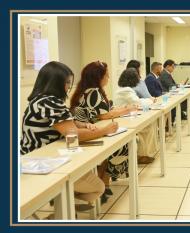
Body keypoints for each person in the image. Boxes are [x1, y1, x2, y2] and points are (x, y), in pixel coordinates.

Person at [20, 61, 118, 207]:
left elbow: (64, 122)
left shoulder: (40, 99)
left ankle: (63, 206)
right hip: (43, 163)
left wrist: (83, 124)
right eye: (67, 83)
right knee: (98, 188)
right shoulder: (50, 102)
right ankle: (61, 212)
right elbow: (74, 134)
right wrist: (105, 130)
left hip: (34, 156)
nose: (68, 87)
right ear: (56, 83)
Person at [70, 61, 134, 203]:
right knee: (122, 146)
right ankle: (102, 182)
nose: (108, 78)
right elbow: (105, 116)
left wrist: (122, 109)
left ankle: (104, 183)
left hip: (91, 130)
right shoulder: (92, 92)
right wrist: (128, 109)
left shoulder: (88, 90)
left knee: (120, 142)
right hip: (89, 134)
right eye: (106, 75)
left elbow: (106, 112)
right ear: (97, 77)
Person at [115, 68, 159, 164]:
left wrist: (148, 100)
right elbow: (138, 102)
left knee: (149, 123)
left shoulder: (125, 89)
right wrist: (151, 100)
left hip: (126, 116)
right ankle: (142, 155)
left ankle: (145, 153)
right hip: (123, 120)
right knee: (147, 126)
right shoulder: (126, 90)